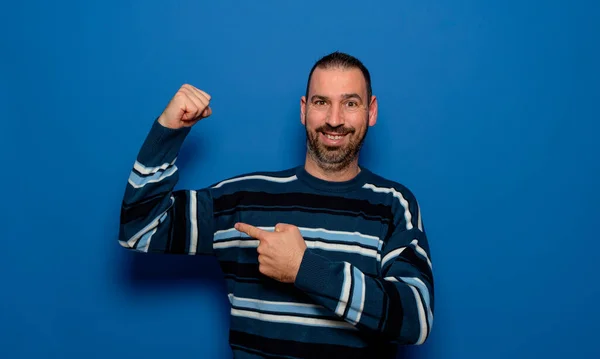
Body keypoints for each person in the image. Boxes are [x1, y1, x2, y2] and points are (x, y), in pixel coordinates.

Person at [118, 51, 434, 358]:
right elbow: (141, 229)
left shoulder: (393, 204)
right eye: (321, 102)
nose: (334, 120)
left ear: (371, 111)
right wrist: (168, 131)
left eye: (350, 103)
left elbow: (415, 320)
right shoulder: (243, 199)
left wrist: (304, 269)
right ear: (303, 109)